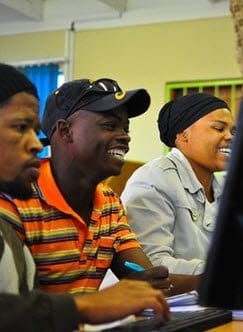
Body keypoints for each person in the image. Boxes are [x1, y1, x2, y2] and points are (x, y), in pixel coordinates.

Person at [0, 63, 170, 331]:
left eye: (125, 127)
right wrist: (87, 306)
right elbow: (18, 313)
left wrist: (146, 281)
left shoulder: (109, 202)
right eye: (110, 125)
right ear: (65, 131)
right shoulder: (13, 199)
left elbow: (140, 275)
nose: (125, 137)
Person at [121, 93, 235, 290]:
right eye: (219, 128)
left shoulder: (224, 188)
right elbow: (153, 266)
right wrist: (227, 272)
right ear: (183, 134)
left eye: (233, 131)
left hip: (209, 300)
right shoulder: (152, 181)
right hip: (161, 308)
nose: (230, 137)